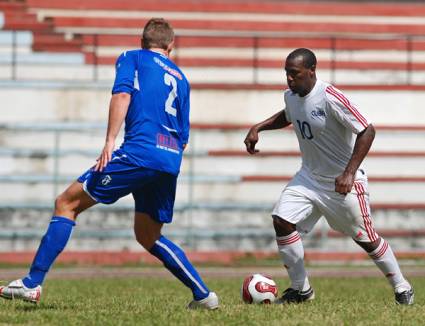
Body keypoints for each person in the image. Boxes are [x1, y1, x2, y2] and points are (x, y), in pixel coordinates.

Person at [0, 18, 218, 310]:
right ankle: (204, 295)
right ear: (171, 46)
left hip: (138, 153)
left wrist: (109, 142)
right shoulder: (181, 78)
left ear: (143, 42)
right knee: (148, 235)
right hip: (169, 158)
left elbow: (123, 94)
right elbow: (184, 136)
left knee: (66, 203)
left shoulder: (132, 57)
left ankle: (31, 283)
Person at [244, 48, 414, 305]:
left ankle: (402, 287)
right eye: (287, 74)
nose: (289, 79)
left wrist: (349, 173)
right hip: (309, 178)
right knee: (281, 220)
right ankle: (301, 290)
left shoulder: (330, 97)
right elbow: (289, 115)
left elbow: (367, 130)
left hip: (342, 184)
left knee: (367, 240)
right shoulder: (291, 96)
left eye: (295, 74)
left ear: (311, 71)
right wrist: (259, 127)